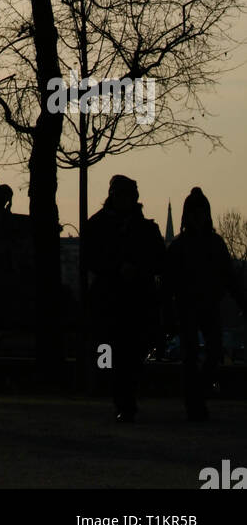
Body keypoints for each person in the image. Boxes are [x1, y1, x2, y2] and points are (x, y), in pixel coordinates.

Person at [83, 175, 165, 422]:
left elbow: (159, 261)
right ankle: (124, 400)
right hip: (114, 300)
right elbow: (90, 259)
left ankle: (124, 398)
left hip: (132, 300)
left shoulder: (140, 228)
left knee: (131, 353)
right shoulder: (102, 226)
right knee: (119, 353)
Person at [165, 187, 247, 421]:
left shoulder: (187, 246)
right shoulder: (196, 246)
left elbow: (230, 279)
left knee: (206, 355)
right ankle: (196, 399)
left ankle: (195, 397)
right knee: (197, 355)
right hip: (194, 306)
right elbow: (230, 280)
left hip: (201, 305)